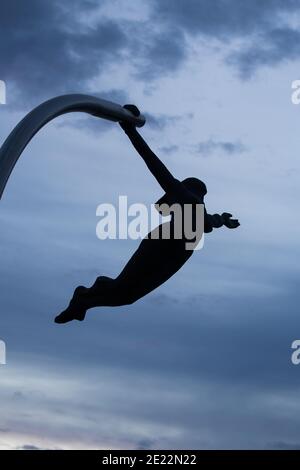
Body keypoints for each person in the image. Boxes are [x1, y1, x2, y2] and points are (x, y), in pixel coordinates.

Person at [55, 105, 239, 324]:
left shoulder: (199, 211)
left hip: (177, 254)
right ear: (190, 189)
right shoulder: (185, 197)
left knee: (127, 296)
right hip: (163, 244)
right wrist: (130, 130)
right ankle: (84, 295)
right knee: (123, 290)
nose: (202, 197)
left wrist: (225, 220)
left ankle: (85, 300)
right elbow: (153, 163)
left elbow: (211, 222)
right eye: (200, 192)